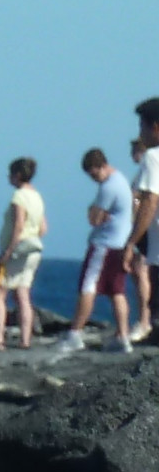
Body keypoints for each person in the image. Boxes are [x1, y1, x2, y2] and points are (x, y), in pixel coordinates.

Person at [65, 146, 136, 353]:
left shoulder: (108, 187)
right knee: (117, 290)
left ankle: (75, 334)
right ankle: (123, 337)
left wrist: (93, 211)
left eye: (94, 174)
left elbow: (93, 219)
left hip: (104, 245)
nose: (94, 179)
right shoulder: (121, 180)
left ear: (102, 166)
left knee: (88, 287)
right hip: (120, 244)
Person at [0, 157, 45, 349]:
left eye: (11, 174)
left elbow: (18, 225)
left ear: (18, 175)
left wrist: (7, 252)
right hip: (34, 249)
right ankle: (25, 339)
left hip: (19, 249)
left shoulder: (19, 196)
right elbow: (43, 227)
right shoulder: (37, 196)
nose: (8, 178)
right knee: (23, 293)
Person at [124, 98, 159, 338]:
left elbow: (149, 202)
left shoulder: (153, 157)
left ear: (154, 127)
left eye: (142, 126)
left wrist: (131, 241)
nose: (140, 133)